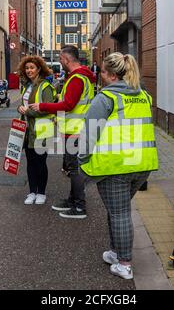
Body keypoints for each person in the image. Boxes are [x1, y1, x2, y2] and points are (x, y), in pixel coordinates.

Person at [78, 52, 159, 280]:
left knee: (120, 213)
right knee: (118, 210)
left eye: (102, 72)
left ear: (112, 75)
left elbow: (90, 133)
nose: (100, 75)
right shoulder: (144, 95)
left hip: (116, 166)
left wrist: (82, 160)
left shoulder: (106, 98)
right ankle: (115, 252)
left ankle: (124, 263)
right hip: (142, 165)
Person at [30, 45, 96, 219]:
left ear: (66, 59)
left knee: (75, 169)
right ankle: (72, 200)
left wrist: (43, 106)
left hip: (75, 130)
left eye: (60, 59)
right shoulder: (81, 77)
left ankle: (79, 207)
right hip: (75, 129)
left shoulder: (76, 79)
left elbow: (69, 105)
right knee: (72, 168)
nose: (60, 62)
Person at [17, 56, 57, 205]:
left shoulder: (46, 86)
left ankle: (41, 193)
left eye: (32, 68)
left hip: (41, 130)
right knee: (30, 163)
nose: (29, 71)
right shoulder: (26, 86)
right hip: (28, 131)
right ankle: (32, 192)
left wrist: (27, 112)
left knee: (40, 163)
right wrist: (19, 108)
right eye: (27, 68)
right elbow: (23, 105)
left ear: (39, 69)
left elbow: (47, 108)